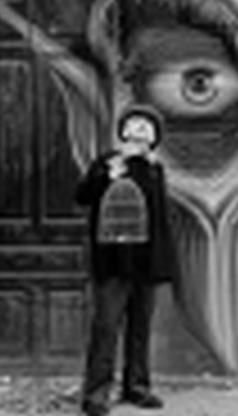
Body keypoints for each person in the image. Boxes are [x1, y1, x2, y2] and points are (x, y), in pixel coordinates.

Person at [76, 105, 172, 416]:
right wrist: (107, 176)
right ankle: (96, 394)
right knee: (106, 326)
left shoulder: (155, 169)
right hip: (113, 260)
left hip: (145, 261)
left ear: (155, 137)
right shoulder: (108, 161)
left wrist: (162, 262)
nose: (141, 128)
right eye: (135, 122)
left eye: (148, 125)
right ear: (124, 131)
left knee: (140, 327)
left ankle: (137, 387)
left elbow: (160, 220)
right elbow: (82, 196)